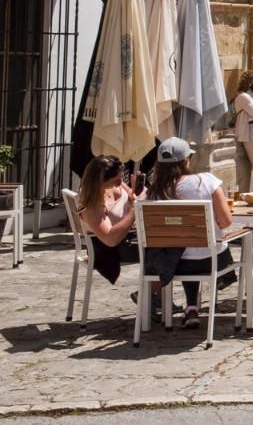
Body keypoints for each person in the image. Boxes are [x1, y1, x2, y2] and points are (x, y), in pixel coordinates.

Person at [145, 137, 234, 328]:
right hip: (211, 261)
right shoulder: (207, 181)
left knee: (183, 249)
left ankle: (191, 307)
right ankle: (225, 279)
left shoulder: (153, 193)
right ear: (187, 161)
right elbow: (226, 221)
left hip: (173, 265)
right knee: (212, 246)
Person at [76, 154, 142, 287]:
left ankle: (153, 297)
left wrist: (136, 190)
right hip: (110, 250)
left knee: (166, 245)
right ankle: (152, 297)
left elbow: (132, 196)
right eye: (117, 181)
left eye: (122, 177)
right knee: (163, 251)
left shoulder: (115, 182)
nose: (121, 182)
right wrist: (135, 210)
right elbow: (110, 239)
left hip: (129, 237)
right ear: (101, 180)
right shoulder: (92, 203)